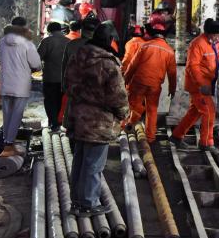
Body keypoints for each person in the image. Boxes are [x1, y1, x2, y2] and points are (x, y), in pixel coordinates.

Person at [64, 22, 129, 216]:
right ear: (109, 41)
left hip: (78, 116)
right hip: (98, 122)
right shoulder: (108, 64)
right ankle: (88, 204)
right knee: (94, 165)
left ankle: (77, 201)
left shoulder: (78, 56)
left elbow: (67, 83)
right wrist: (123, 113)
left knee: (80, 161)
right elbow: (117, 96)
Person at [170, 19, 219, 152]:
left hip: (207, 84)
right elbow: (192, 66)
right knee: (209, 111)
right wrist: (201, 84)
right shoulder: (197, 44)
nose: (218, 38)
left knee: (194, 112)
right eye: (216, 35)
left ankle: (176, 136)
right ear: (208, 34)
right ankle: (206, 143)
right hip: (198, 86)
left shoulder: (216, 43)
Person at [122, 14, 177, 143]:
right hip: (155, 85)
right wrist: (172, 89)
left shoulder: (144, 46)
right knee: (152, 110)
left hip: (139, 82)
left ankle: (129, 123)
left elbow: (132, 65)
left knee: (134, 105)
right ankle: (150, 138)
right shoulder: (169, 51)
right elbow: (172, 74)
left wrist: (125, 80)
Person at [0, 17, 41, 152]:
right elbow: (36, 64)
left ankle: (5, 140)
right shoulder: (27, 43)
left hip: (5, 82)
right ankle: (9, 143)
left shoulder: (3, 41)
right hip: (21, 84)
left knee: (7, 113)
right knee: (17, 114)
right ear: (24, 26)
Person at [37, 22, 68, 131]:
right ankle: (59, 122)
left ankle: (53, 122)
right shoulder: (68, 41)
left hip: (50, 77)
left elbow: (38, 57)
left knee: (50, 100)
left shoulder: (46, 41)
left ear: (49, 30)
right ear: (60, 30)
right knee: (61, 100)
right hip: (65, 78)